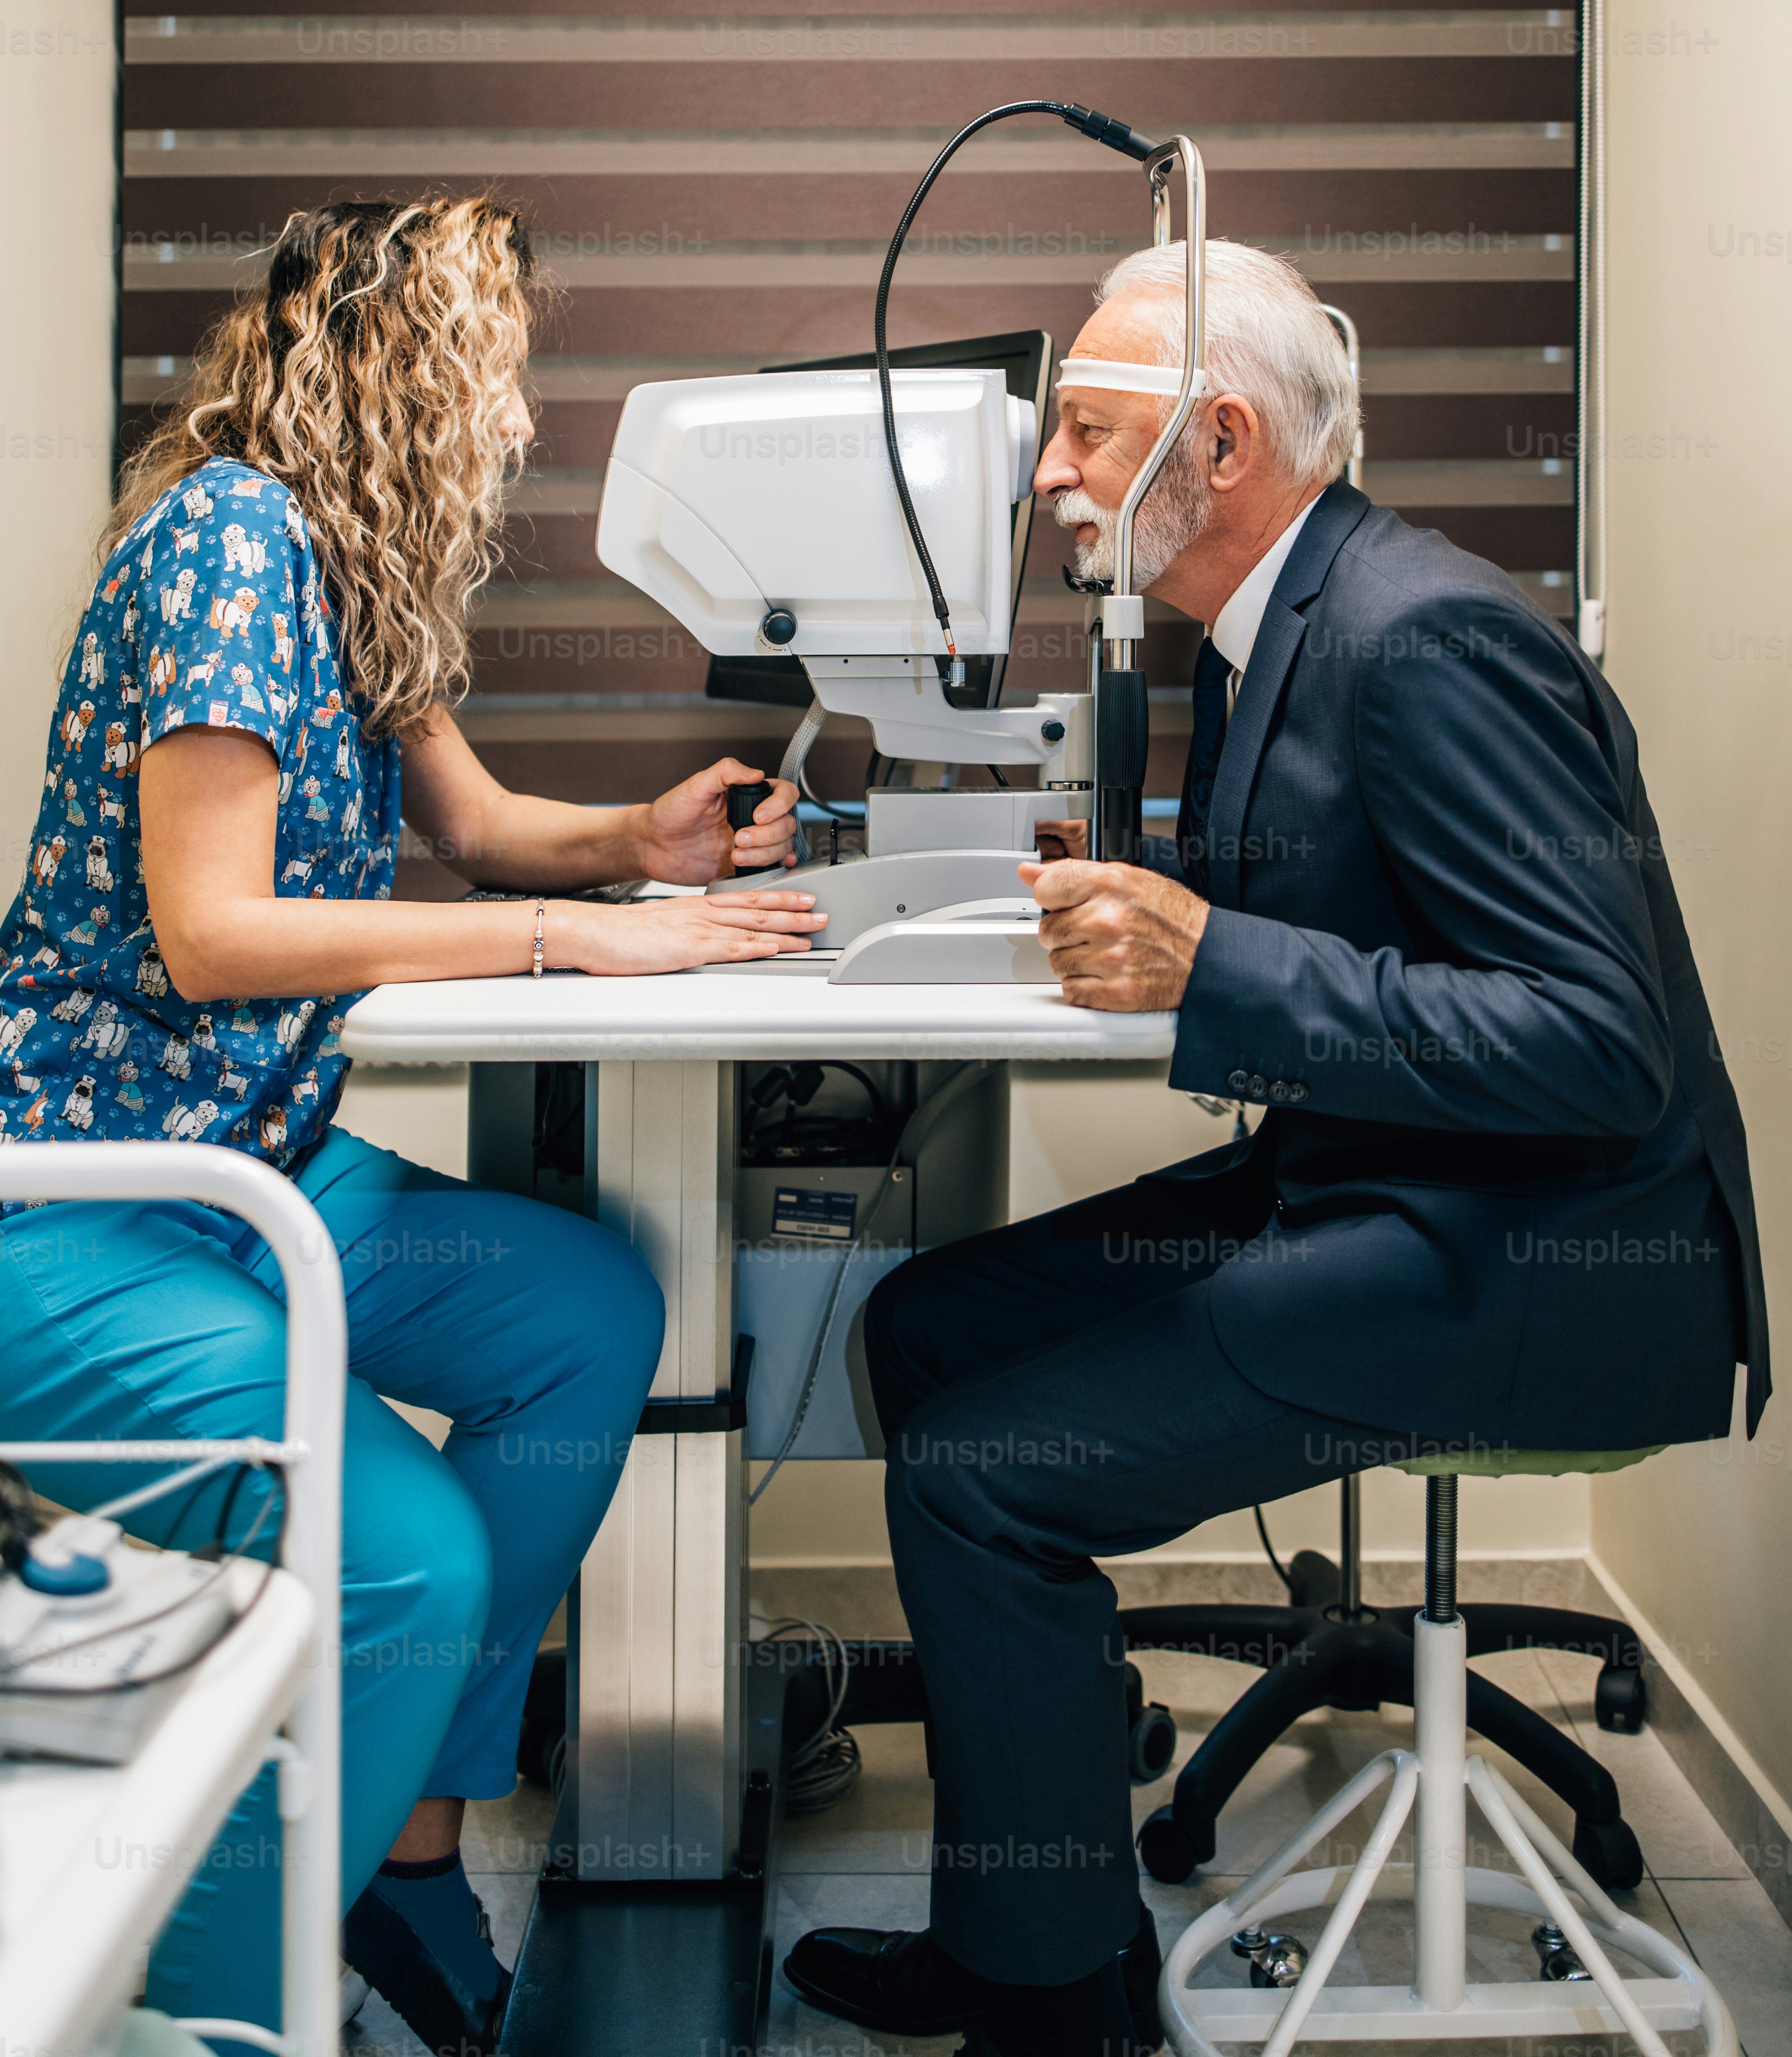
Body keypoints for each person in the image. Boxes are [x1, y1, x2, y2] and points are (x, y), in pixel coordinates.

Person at [784, 237, 1768, 2057]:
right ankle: (1034, 1921)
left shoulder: (1428, 640)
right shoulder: (1259, 631)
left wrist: (1212, 956)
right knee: (926, 1332)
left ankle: (1057, 2006)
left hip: (1542, 1256)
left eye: (1085, 429)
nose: (1050, 473)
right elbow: (1347, 920)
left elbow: (1600, 1047)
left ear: (1218, 446)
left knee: (978, 1476)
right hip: (1378, 1182)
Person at [0, 196, 823, 2052]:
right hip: (83, 1205)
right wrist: (569, 944)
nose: (518, 417)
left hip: (260, 1174)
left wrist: (634, 851)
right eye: (498, 367)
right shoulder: (222, 538)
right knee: (407, 1556)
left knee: (590, 1317)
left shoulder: (351, 568)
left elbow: (474, 825)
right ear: (398, 367)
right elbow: (216, 935)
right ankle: (217, 2005)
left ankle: (407, 1845)